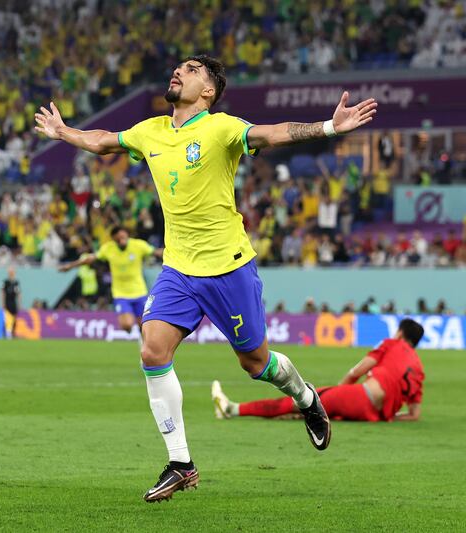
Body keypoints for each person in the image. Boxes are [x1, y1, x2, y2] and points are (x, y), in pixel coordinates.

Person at [35, 54, 378, 503]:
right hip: (178, 268)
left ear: (209, 91)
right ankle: (181, 463)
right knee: (151, 350)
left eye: (192, 70)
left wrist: (329, 128)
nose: (178, 72)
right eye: (178, 67)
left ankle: (307, 398)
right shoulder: (150, 130)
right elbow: (103, 141)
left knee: (256, 364)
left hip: (228, 267)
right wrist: (65, 132)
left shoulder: (221, 128)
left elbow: (273, 134)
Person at [212, 319, 425, 423]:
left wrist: (340, 392)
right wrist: (388, 416)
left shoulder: (392, 344)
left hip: (360, 397)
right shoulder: (418, 368)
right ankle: (308, 413)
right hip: (376, 415)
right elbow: (414, 415)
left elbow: (357, 370)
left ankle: (232, 409)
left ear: (400, 333)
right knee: (307, 410)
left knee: (300, 399)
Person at [58, 227, 162, 335]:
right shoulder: (108, 249)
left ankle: (143, 343)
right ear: (114, 239)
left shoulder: (138, 245)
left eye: (123, 237)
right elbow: (89, 259)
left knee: (143, 325)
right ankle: (133, 329)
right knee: (127, 324)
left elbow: (156, 252)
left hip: (139, 291)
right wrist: (71, 266)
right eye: (118, 239)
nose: (122, 241)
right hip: (120, 294)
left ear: (127, 235)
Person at [1, 267, 21, 339]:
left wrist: (19, 303)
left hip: (13, 302)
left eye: (12, 272)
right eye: (10, 272)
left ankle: (13, 332)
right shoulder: (5, 282)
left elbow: (18, 293)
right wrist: (3, 303)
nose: (11, 273)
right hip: (7, 301)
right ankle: (6, 332)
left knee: (14, 317)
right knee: (7, 318)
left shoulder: (16, 283)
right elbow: (2, 292)